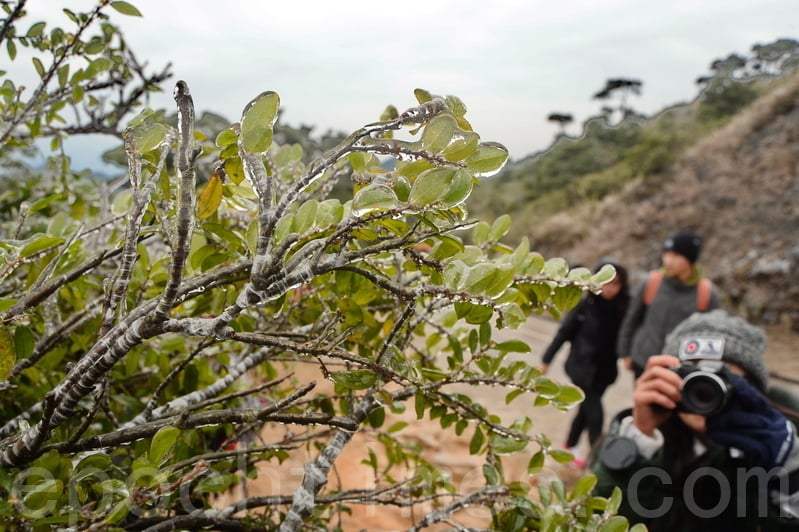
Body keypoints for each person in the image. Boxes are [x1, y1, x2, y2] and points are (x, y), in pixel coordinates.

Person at [590, 310, 799, 531]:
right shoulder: (648, 441)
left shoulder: (776, 445)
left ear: (754, 392)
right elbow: (599, 521)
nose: (704, 392)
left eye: (723, 381)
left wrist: (790, 471)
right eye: (693, 378)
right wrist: (637, 439)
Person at [540, 258, 630, 467]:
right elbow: (563, 334)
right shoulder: (584, 305)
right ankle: (597, 460)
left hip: (604, 372)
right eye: (606, 282)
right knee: (596, 415)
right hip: (581, 368)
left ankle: (570, 447)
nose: (609, 289)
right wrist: (546, 359)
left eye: (615, 284)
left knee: (584, 411)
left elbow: (630, 334)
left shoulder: (623, 308)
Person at [617, 230, 722, 378]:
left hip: (682, 368)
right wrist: (625, 352)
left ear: (690, 260)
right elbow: (632, 319)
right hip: (644, 361)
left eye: (676, 255)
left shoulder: (707, 293)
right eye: (666, 253)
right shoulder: (652, 282)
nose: (668, 260)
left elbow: (713, 336)